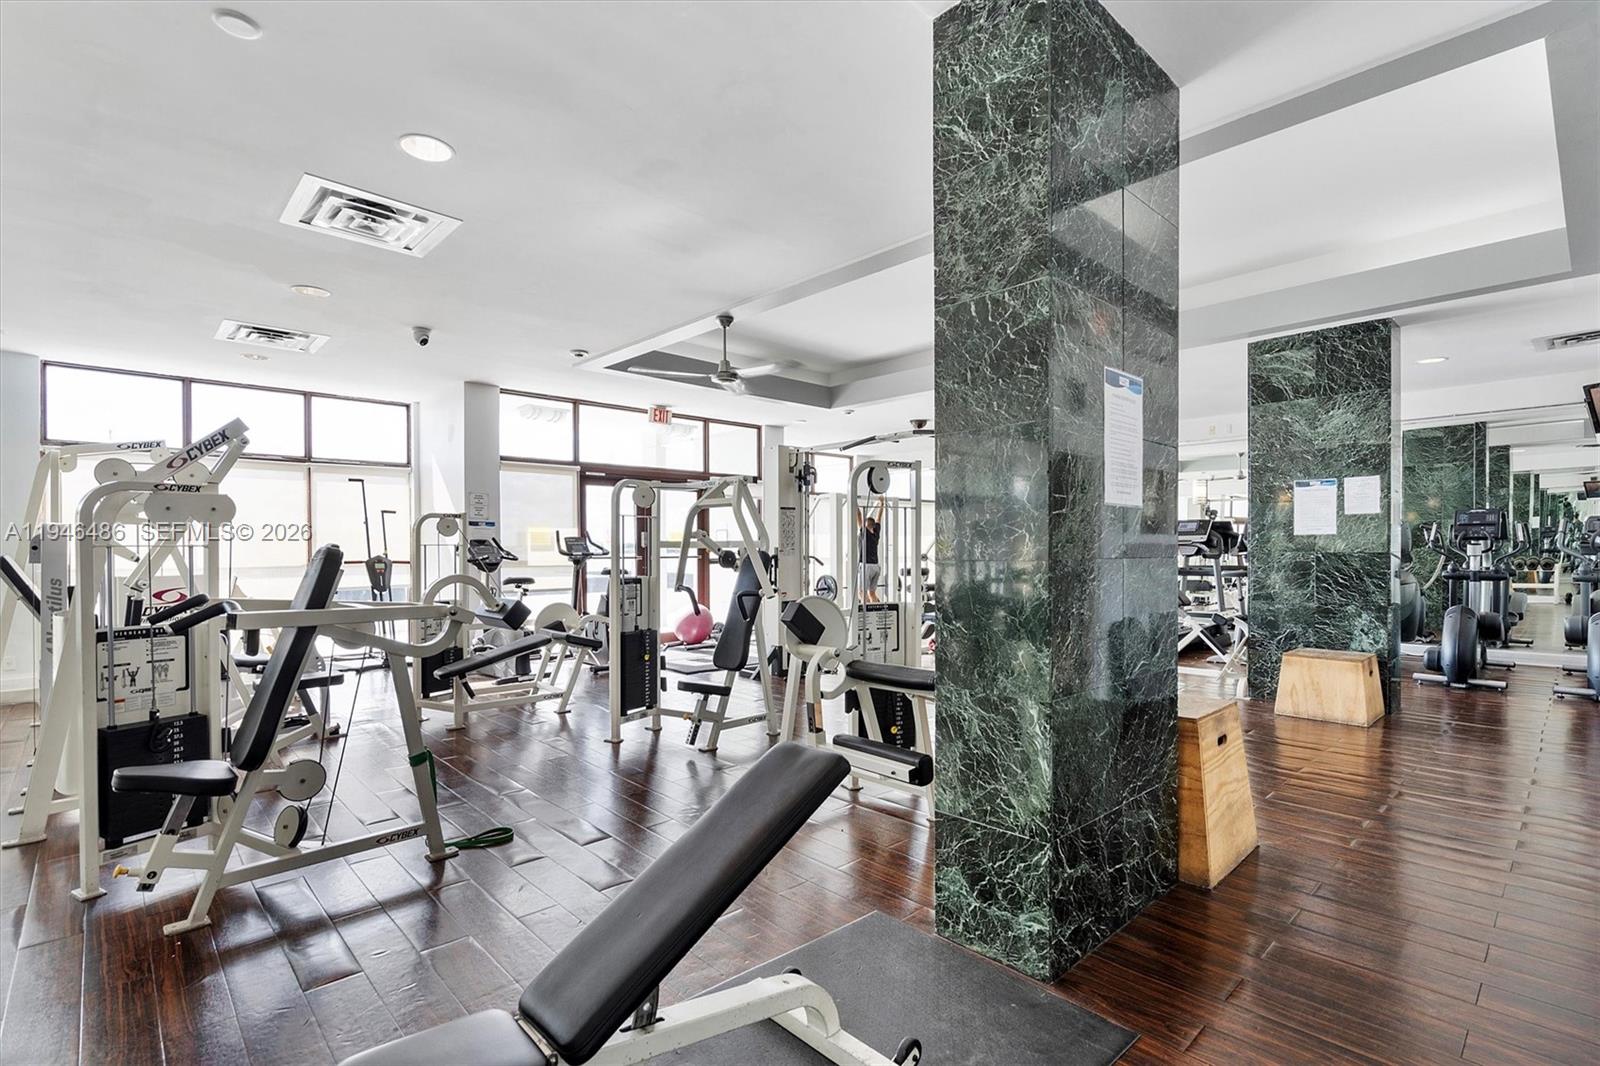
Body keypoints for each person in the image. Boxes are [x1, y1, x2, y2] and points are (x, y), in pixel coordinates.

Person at [857, 496, 885, 604]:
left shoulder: (865, 533)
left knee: (862, 593)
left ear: (866, 525)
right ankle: (876, 610)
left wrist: (854, 501)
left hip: (866, 566)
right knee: (872, 593)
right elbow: (879, 517)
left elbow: (858, 515)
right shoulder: (876, 532)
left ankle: (866, 612)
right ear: (873, 525)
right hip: (876, 567)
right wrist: (881, 503)